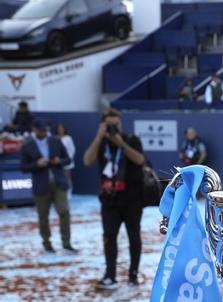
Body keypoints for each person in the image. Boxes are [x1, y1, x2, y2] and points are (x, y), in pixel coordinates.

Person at [82, 108, 145, 289]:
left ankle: (133, 274)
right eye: (109, 125)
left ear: (121, 123)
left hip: (132, 198)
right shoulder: (101, 143)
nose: (113, 128)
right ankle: (110, 275)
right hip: (109, 199)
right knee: (109, 237)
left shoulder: (132, 139)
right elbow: (87, 160)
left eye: (115, 124)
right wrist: (99, 136)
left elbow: (140, 160)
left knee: (134, 237)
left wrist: (121, 144)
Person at [20, 120, 73, 253]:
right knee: (43, 215)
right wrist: (37, 164)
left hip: (58, 182)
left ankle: (66, 242)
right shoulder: (27, 146)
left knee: (64, 211)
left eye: (45, 130)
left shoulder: (55, 141)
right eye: (41, 130)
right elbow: (23, 167)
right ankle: (47, 243)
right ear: (34, 130)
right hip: (41, 184)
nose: (43, 132)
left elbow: (68, 159)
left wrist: (59, 161)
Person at [55, 122, 76, 190]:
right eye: (59, 129)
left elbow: (72, 150)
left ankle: (69, 193)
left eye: (61, 128)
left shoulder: (68, 138)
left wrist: (68, 160)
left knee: (67, 178)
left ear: (64, 129)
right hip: (56, 162)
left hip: (67, 162)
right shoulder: (54, 138)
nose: (60, 130)